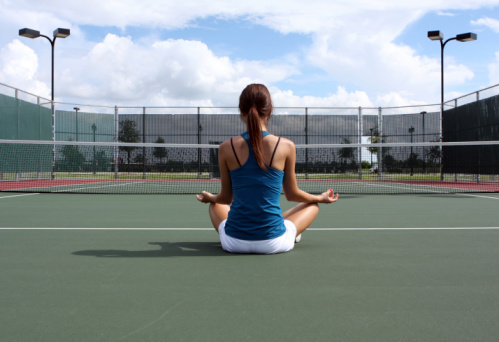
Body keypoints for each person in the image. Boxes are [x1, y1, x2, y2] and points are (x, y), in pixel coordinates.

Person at [196, 84, 339, 254]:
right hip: (275, 242)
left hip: (233, 243)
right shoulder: (286, 146)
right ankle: (291, 233)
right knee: (313, 205)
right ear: (270, 110)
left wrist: (210, 197)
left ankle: (272, 226)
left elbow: (226, 198)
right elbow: (292, 195)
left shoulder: (226, 148)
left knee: (214, 205)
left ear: (241, 111)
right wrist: (320, 198)